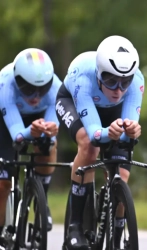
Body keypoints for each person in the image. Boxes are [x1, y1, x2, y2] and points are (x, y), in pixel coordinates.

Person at [56, 35, 144, 250]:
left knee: (121, 175)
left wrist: (132, 131)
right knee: (88, 145)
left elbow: (127, 134)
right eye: (110, 80)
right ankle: (75, 226)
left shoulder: (136, 81)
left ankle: (115, 237)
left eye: (124, 82)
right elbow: (96, 134)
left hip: (111, 112)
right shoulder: (83, 78)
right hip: (73, 102)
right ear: (98, 74)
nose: (118, 89)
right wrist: (110, 133)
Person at [0, 48, 61, 243]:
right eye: (27, 89)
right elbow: (18, 136)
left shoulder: (57, 88)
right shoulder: (5, 85)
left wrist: (47, 134)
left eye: (42, 89)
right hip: (6, 121)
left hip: (38, 117)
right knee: (3, 185)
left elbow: (51, 132)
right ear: (17, 82)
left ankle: (42, 198)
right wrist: (29, 133)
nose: (35, 96)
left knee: (49, 145)